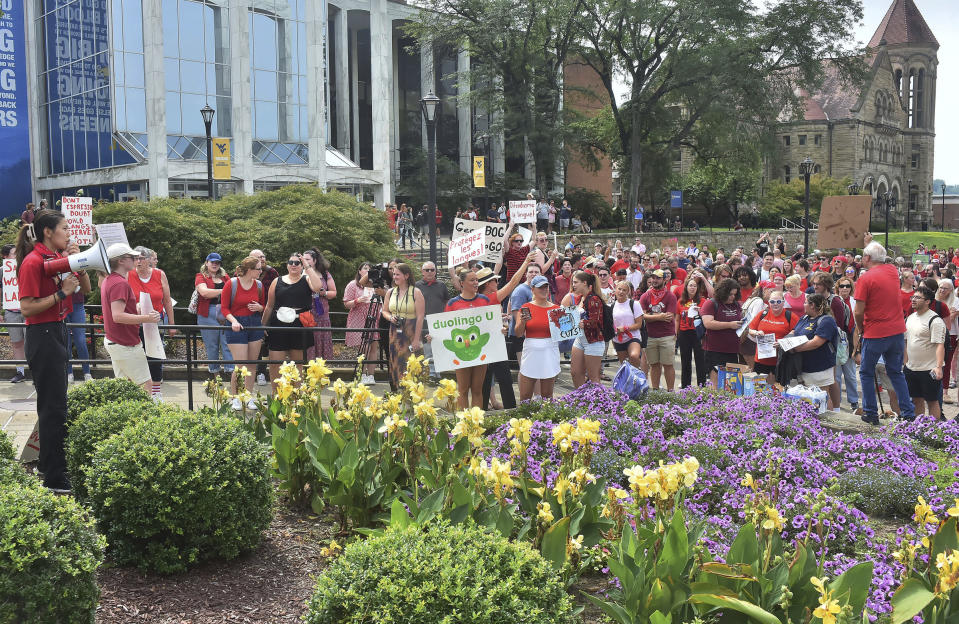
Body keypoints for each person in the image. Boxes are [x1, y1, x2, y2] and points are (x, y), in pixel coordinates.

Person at [17, 209, 92, 493]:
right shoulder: (33, 262)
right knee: (53, 409)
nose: (69, 233)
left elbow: (84, 288)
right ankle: (54, 478)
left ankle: (51, 467)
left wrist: (79, 263)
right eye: (64, 228)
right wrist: (61, 293)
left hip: (57, 330)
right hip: (43, 333)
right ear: (48, 232)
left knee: (56, 406)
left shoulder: (56, 260)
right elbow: (26, 307)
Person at [101, 243, 160, 396]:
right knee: (146, 386)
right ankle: (144, 419)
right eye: (132, 257)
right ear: (121, 261)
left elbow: (117, 311)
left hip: (116, 341)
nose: (136, 260)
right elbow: (118, 316)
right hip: (125, 343)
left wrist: (137, 308)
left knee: (124, 387)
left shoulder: (110, 280)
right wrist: (147, 318)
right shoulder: (120, 283)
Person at [261, 253, 327, 386]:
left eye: (297, 263)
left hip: (300, 324)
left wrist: (307, 265)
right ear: (287, 265)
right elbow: (269, 306)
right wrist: (262, 326)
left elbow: (317, 286)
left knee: (297, 365)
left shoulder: (307, 279)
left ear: (302, 265)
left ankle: (296, 397)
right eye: (291, 262)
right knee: (275, 364)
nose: (293, 265)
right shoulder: (277, 281)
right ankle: (276, 396)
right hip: (278, 324)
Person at [127, 246, 174, 401]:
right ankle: (134, 389)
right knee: (135, 355)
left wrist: (171, 324)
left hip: (155, 321)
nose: (138, 262)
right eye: (135, 258)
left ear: (148, 260)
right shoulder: (128, 274)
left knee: (155, 356)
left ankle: (156, 392)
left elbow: (167, 300)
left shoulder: (160, 274)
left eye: (141, 258)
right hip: (135, 322)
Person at [221, 257, 266, 410]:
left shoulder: (259, 285)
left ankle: (248, 395)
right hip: (236, 324)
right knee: (240, 365)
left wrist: (260, 308)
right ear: (249, 270)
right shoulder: (231, 284)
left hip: (254, 323)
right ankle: (235, 397)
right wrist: (233, 321)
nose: (261, 271)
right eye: (258, 269)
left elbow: (264, 305)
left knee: (252, 365)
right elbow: (224, 308)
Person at [445, 267, 492, 408]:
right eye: (472, 280)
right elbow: (445, 328)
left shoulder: (485, 300)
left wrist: (500, 330)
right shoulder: (452, 303)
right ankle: (463, 424)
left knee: (477, 389)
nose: (476, 282)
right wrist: (433, 337)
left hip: (480, 349)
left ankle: (477, 425)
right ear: (462, 283)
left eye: (477, 280)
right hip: (461, 351)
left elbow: (490, 324)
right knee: (463, 389)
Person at [788, 293, 839, 408]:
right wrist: (784, 342)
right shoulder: (804, 318)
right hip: (804, 366)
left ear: (812, 305)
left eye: (805, 302)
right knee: (808, 397)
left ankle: (828, 422)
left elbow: (816, 343)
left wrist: (795, 348)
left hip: (820, 366)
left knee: (821, 396)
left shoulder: (826, 321)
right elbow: (793, 332)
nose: (803, 305)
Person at [515, 275, 560, 401]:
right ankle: (524, 420)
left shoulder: (556, 309)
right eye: (540, 287)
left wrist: (576, 325)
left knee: (547, 395)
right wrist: (523, 322)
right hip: (531, 352)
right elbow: (518, 333)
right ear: (533, 289)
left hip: (549, 351)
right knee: (525, 395)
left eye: (546, 286)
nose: (544, 289)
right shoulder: (525, 307)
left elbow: (565, 333)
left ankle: (546, 421)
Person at [904, 285, 947, 419]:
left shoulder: (935, 320)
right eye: (913, 297)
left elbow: (940, 345)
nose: (913, 300)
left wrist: (938, 367)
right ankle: (919, 429)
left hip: (930, 369)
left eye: (918, 297)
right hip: (911, 368)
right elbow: (906, 342)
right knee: (916, 400)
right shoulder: (910, 318)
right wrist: (905, 364)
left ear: (928, 301)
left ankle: (933, 431)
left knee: (932, 401)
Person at [381, 263, 425, 391]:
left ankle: (412, 394)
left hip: (411, 330)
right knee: (395, 362)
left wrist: (417, 339)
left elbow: (420, 316)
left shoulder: (416, 292)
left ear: (406, 275)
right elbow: (384, 311)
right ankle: (396, 392)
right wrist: (390, 318)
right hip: (395, 332)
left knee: (411, 362)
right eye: (394, 274)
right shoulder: (390, 292)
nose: (394, 277)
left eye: (397, 274)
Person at [195, 253, 234, 376]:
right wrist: (224, 291)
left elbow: (234, 291)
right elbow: (204, 292)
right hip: (207, 314)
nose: (214, 264)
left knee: (227, 343)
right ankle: (215, 374)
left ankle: (230, 371)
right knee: (212, 345)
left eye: (217, 262)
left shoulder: (225, 277)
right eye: (212, 262)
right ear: (206, 263)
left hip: (225, 311)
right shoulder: (200, 276)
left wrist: (217, 292)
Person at [747, 290, 798, 384]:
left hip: (781, 361)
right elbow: (750, 330)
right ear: (768, 302)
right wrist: (756, 332)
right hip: (761, 359)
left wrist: (782, 343)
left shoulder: (790, 316)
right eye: (772, 302)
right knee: (759, 389)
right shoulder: (763, 314)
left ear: (783, 302)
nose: (775, 304)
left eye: (778, 301)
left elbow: (797, 335)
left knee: (779, 390)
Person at [639, 269, 677, 390]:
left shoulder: (670, 296)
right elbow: (642, 316)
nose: (654, 280)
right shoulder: (645, 296)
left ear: (664, 279)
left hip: (667, 335)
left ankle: (670, 391)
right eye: (653, 278)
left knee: (668, 364)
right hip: (650, 335)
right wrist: (660, 316)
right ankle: (655, 390)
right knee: (654, 365)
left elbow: (669, 316)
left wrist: (651, 317)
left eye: (658, 278)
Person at [701, 278, 743, 388]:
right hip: (715, 350)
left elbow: (739, 321)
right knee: (715, 385)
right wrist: (730, 325)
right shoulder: (711, 303)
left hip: (732, 350)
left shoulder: (736, 305)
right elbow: (708, 323)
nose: (733, 297)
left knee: (731, 385)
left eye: (735, 294)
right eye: (730, 294)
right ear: (723, 292)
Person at [567, 270, 606, 387]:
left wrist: (584, 323)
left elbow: (597, 321)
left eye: (575, 282)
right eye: (573, 282)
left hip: (594, 341)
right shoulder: (580, 298)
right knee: (575, 373)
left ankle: (597, 403)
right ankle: (581, 398)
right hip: (580, 339)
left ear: (584, 283)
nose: (573, 285)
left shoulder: (594, 299)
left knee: (593, 377)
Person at [414, 261, 448, 384]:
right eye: (427, 270)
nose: (429, 272)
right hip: (424, 321)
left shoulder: (441, 285)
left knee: (438, 348)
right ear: (422, 272)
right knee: (428, 349)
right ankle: (431, 375)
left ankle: (437, 374)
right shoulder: (417, 285)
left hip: (439, 321)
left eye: (432, 270)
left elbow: (446, 301)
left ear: (435, 271)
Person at [248, 250, 279, 386]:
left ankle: (261, 373)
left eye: (263, 256)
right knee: (250, 345)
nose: (262, 258)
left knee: (265, 345)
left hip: (267, 313)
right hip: (247, 315)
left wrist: (263, 308)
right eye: (259, 257)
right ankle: (248, 375)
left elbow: (278, 293)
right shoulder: (241, 273)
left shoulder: (272, 273)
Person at [344, 262, 377, 384]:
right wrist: (358, 300)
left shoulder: (375, 285)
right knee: (365, 347)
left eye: (370, 269)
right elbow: (346, 304)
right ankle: (362, 374)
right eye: (365, 268)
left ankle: (371, 376)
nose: (368, 271)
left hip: (374, 316)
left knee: (374, 346)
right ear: (359, 271)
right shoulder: (353, 285)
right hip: (358, 318)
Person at [303, 248, 336, 361]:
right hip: (306, 316)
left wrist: (324, 293)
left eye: (307, 259)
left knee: (322, 345)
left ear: (315, 260)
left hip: (322, 316)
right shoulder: (300, 273)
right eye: (303, 259)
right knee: (308, 344)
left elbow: (334, 292)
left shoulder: (325, 274)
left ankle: (321, 372)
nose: (305, 261)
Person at [676, 274, 707, 387]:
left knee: (700, 360)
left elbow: (706, 317)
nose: (692, 288)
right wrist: (676, 334)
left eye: (694, 286)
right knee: (685, 360)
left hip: (697, 333)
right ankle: (685, 386)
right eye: (690, 286)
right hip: (684, 332)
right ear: (686, 287)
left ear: (697, 288)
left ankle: (702, 386)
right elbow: (677, 319)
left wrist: (700, 311)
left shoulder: (703, 301)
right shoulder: (680, 301)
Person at [1, 245, 27, 383]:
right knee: (17, 343)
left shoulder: (25, 267)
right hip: (11, 312)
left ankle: (35, 371)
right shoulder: (2, 271)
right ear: (5, 256)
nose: (17, 256)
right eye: (13, 254)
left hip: (28, 310)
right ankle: (20, 372)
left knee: (31, 342)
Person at [611, 280, 643, 370]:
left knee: (634, 356)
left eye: (624, 290)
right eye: (619, 289)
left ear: (628, 292)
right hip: (618, 339)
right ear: (615, 290)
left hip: (632, 337)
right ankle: (629, 381)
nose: (621, 292)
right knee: (624, 366)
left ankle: (637, 374)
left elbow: (639, 324)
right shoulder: (611, 306)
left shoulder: (634, 304)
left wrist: (625, 328)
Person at [937, 279, 959, 404]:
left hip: (950, 334)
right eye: (940, 287)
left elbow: (950, 318)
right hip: (934, 334)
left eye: (945, 288)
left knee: (947, 362)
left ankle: (945, 392)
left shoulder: (956, 301)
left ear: (951, 290)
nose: (942, 290)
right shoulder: (935, 300)